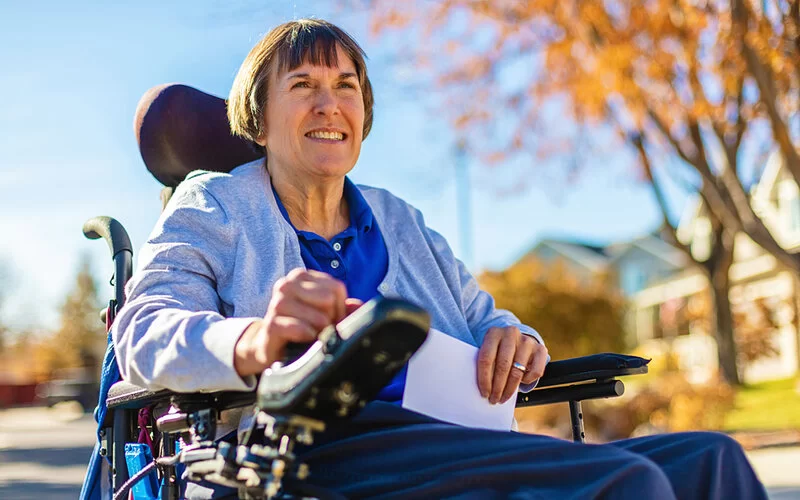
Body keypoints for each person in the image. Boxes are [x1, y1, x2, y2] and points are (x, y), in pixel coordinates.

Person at [113, 18, 767, 500]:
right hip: (308, 452)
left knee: (713, 461)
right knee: (629, 485)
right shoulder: (217, 205)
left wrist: (517, 340)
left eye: (346, 87)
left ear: (363, 115)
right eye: (303, 85)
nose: (329, 104)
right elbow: (143, 328)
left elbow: (484, 319)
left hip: (444, 439)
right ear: (258, 120)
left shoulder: (398, 219)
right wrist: (255, 339)